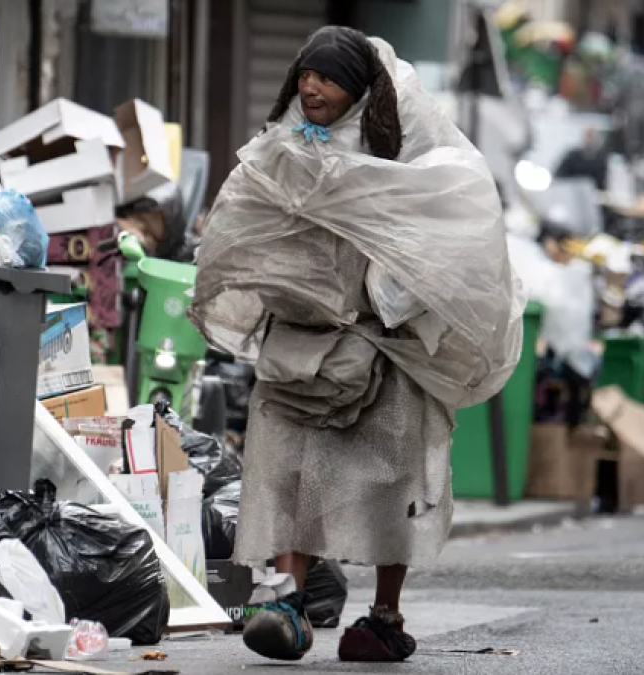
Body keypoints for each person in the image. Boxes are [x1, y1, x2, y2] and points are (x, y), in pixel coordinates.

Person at [190, 27, 521, 664]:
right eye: (305, 76)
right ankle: (285, 601)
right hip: (301, 348)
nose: (312, 88)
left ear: (362, 92)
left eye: (328, 78)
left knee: (394, 484)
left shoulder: (420, 161)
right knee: (288, 474)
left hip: (389, 354)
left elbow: (449, 237)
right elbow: (244, 224)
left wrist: (386, 296)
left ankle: (384, 616)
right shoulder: (283, 149)